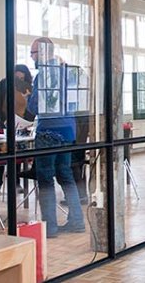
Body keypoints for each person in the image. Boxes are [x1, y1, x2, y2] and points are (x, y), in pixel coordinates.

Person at [27, 37, 85, 238]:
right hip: (68, 130)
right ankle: (77, 221)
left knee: (45, 179)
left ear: (43, 53)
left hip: (48, 132)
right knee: (66, 176)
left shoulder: (43, 75)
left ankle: (50, 227)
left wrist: (28, 98)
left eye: (33, 53)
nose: (31, 57)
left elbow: (34, 108)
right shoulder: (67, 71)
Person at [0, 64, 34, 195]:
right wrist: (4, 120)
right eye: (16, 77)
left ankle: (16, 182)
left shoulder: (27, 88)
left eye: (22, 77)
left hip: (18, 124)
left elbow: (31, 108)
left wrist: (28, 122)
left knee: (16, 153)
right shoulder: (3, 84)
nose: (19, 79)